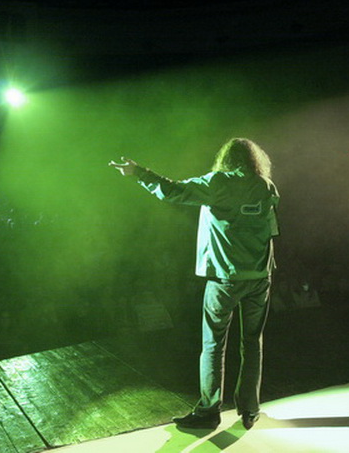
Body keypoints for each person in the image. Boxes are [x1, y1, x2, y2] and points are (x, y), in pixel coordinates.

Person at [109, 138, 279, 430]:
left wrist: (139, 173)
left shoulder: (219, 183)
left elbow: (173, 191)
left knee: (213, 344)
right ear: (255, 159)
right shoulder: (267, 186)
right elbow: (272, 230)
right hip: (260, 278)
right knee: (253, 344)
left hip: (225, 278)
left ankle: (209, 411)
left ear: (227, 159)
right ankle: (250, 409)